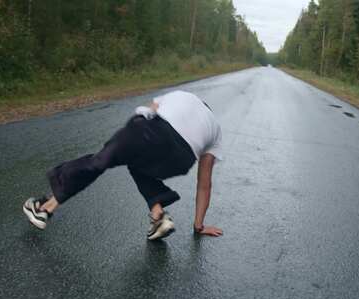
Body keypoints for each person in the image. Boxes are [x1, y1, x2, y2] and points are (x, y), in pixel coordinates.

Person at [23, 90, 223, 240]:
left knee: (100, 161)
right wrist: (199, 226)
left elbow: (152, 109)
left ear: (199, 102)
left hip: (152, 133)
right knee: (139, 164)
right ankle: (158, 215)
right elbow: (204, 183)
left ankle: (44, 209)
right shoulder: (215, 128)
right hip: (181, 160)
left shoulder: (181, 95)